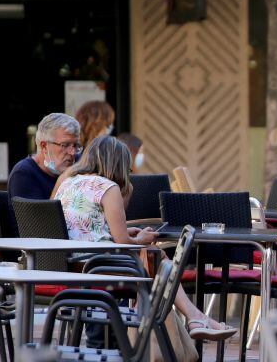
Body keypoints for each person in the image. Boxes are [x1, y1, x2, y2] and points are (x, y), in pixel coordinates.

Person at [53, 136, 235, 342]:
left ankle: (193, 319)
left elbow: (84, 224)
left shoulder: (67, 182)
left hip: (71, 264)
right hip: (96, 266)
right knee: (157, 258)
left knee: (155, 259)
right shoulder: (108, 187)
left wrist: (128, 234)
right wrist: (141, 238)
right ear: (119, 163)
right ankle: (187, 322)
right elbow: (122, 241)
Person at [8, 113, 81, 201]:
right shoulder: (23, 173)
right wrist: (61, 182)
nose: (72, 152)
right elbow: (39, 215)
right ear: (44, 146)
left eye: (75, 145)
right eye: (65, 145)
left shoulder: (79, 163)